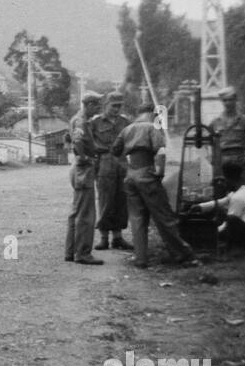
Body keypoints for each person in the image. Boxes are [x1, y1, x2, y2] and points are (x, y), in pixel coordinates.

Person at [112, 102, 198, 269]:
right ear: (152, 113)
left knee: (137, 219)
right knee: (164, 217)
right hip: (147, 174)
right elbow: (161, 152)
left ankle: (141, 259)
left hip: (131, 175)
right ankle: (183, 255)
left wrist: (127, 168)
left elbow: (115, 151)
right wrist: (160, 172)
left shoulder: (127, 129)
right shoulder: (152, 127)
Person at [64, 92, 104, 265]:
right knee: (86, 215)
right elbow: (78, 142)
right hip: (83, 169)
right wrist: (86, 157)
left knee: (76, 212)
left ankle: (71, 251)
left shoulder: (77, 119)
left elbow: (68, 138)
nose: (98, 108)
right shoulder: (81, 121)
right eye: (96, 105)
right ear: (88, 104)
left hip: (80, 169)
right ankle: (83, 253)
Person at [90, 91, 132, 251]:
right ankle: (103, 238)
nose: (117, 109)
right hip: (104, 163)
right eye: (114, 106)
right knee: (105, 201)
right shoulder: (95, 123)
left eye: (119, 106)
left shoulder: (125, 122)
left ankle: (118, 237)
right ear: (105, 105)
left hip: (122, 164)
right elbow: (89, 141)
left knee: (121, 201)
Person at [189, 161, 245, 255]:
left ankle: (236, 248)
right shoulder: (242, 189)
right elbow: (221, 202)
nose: (223, 183)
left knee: (230, 219)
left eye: (225, 180)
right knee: (222, 212)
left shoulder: (239, 197)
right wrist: (200, 207)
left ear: (231, 180)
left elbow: (229, 222)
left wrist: (214, 233)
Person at [210, 86, 245, 186]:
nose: (227, 103)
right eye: (224, 100)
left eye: (230, 100)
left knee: (241, 192)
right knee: (221, 192)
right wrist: (212, 159)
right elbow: (209, 141)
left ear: (235, 100)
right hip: (222, 161)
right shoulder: (215, 122)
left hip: (239, 161)